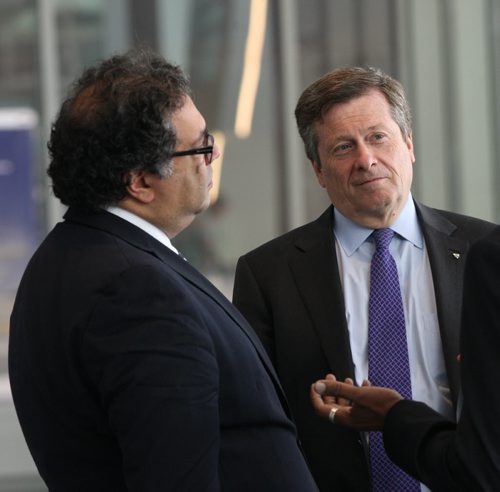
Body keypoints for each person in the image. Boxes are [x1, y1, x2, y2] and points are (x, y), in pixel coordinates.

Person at [8, 48, 318, 492]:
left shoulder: (68, 257)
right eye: (200, 145)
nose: (210, 159)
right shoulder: (134, 290)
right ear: (140, 181)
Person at [232, 66, 496, 491]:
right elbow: (255, 417)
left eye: (378, 137)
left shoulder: (485, 251)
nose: (366, 159)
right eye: (342, 147)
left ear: (409, 145)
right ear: (317, 170)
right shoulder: (268, 274)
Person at [311, 225, 500, 491]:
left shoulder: (484, 249)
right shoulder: (268, 268)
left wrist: (394, 416)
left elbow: (483, 471)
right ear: (320, 179)